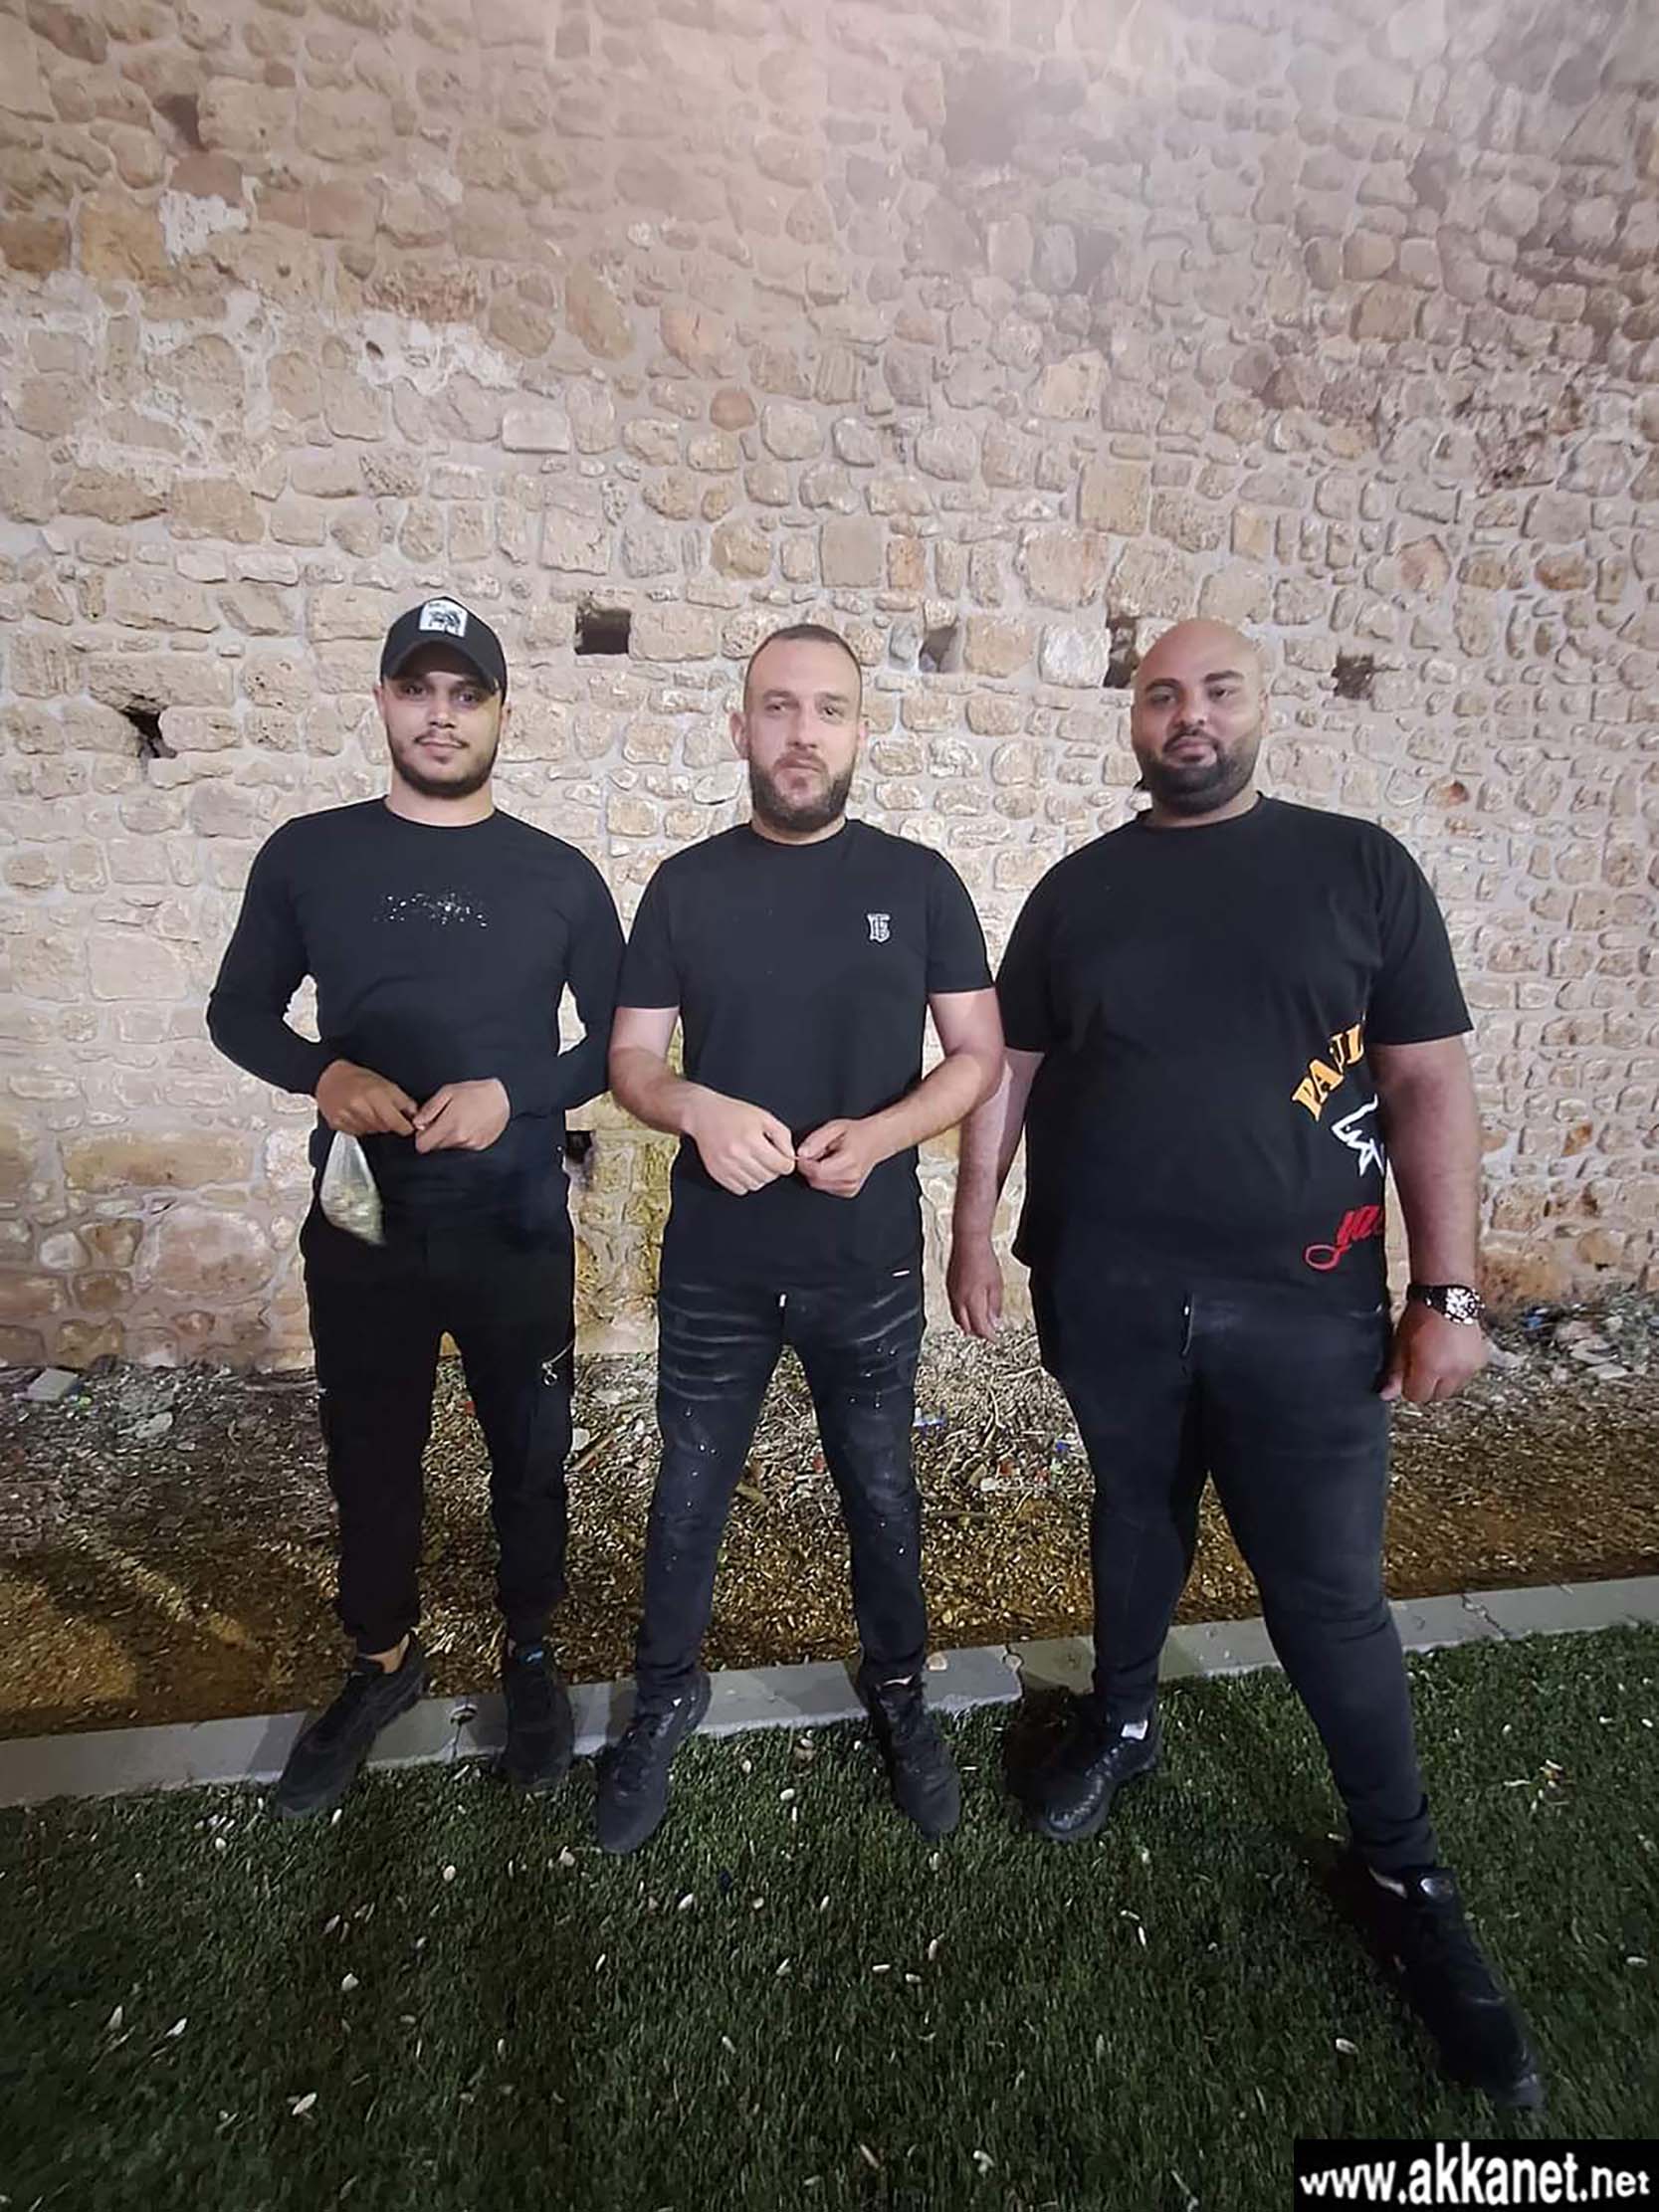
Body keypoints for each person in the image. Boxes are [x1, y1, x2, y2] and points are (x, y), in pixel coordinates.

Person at [947, 618, 1542, 2109]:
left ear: (1259, 707)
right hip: (1107, 1290)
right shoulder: (1076, 891)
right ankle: (1122, 1719)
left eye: (1216, 690)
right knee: (1130, 1515)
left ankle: (1401, 1873)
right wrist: (970, 1226)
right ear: (1132, 720)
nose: (1188, 715)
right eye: (1161, 693)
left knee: (1323, 1592)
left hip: (1308, 1310)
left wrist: (1447, 1289)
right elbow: (1007, 1069)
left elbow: (1424, 1079)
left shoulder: (1357, 869)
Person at [207, 595, 623, 1818]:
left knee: (529, 1450)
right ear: (384, 702)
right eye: (418, 690)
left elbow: (616, 1044)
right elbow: (237, 1011)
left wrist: (516, 1094)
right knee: (370, 1450)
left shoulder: (558, 876)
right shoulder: (308, 854)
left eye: (466, 694)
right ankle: (382, 1661)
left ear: (501, 713)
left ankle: (529, 1652)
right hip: (363, 1220)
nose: (441, 715)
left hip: (512, 1221)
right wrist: (320, 1074)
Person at [595, 622, 1004, 1853]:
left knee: (880, 1491)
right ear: (739, 728)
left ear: (859, 733)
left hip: (862, 1265)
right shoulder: (684, 886)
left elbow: (976, 1058)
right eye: (777, 707)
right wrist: (693, 1106)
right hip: (716, 1269)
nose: (801, 733)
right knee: (685, 1497)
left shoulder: (919, 882)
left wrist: (882, 1135)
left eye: (826, 710)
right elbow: (630, 1060)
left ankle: (899, 1691)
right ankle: (664, 1695)